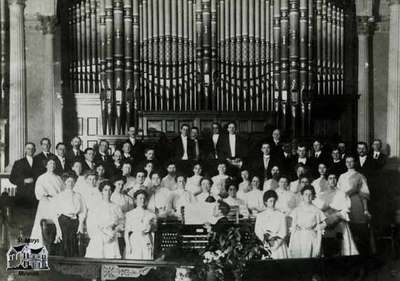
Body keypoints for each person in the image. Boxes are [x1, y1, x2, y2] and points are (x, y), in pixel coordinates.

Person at [313, 174, 359, 257]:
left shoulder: (342, 194)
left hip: (339, 222)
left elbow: (346, 209)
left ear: (337, 180)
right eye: (330, 178)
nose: (332, 180)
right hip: (325, 223)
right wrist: (325, 212)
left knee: (341, 249)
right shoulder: (321, 194)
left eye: (334, 178)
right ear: (327, 181)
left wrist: (336, 215)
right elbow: (317, 209)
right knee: (325, 248)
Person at [337, 155, 371, 256]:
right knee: (346, 231)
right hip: (344, 204)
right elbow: (339, 192)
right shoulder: (341, 176)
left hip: (356, 204)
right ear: (345, 163)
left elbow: (364, 193)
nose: (349, 163)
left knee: (359, 231)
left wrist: (365, 209)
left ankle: (362, 258)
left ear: (355, 163)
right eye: (347, 161)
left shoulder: (360, 176)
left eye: (351, 161)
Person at [30, 158, 64, 251]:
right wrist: (48, 198)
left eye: (54, 164)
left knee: (58, 223)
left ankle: (55, 247)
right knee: (43, 225)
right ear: (46, 165)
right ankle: (40, 248)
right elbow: (39, 192)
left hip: (57, 204)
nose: (52, 165)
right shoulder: (41, 178)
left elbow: (63, 192)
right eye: (50, 163)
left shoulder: (58, 178)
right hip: (46, 204)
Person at [85, 180, 125, 259]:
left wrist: (114, 232)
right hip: (98, 237)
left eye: (110, 190)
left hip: (112, 237)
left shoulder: (116, 207)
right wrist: (103, 234)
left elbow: (122, 222)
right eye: (106, 190)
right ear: (101, 192)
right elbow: (91, 224)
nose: (108, 192)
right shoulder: (95, 206)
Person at [53, 172, 86, 257]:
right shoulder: (60, 196)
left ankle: (73, 263)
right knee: (64, 243)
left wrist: (81, 224)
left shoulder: (79, 196)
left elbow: (83, 211)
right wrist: (58, 229)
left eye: (72, 181)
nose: (70, 184)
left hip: (75, 221)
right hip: (63, 221)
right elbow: (54, 213)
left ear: (75, 182)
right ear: (65, 182)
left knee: (73, 242)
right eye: (68, 181)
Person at [289, 185, 326, 258]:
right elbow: (293, 227)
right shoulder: (297, 210)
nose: (308, 196)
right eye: (306, 194)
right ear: (302, 196)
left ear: (313, 196)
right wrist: (291, 243)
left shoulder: (316, 210)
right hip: (298, 238)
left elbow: (321, 227)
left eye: (310, 194)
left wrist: (318, 246)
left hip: (311, 238)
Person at [255, 190, 288, 259]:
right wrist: (266, 242)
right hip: (265, 246)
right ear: (265, 202)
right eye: (270, 201)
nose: (272, 203)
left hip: (279, 246)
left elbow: (283, 232)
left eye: (274, 201)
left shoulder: (281, 215)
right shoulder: (260, 215)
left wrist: (276, 244)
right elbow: (258, 231)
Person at [125, 190, 157, 260]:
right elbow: (126, 232)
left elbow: (154, 231)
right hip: (135, 241)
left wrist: (151, 227)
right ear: (135, 200)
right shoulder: (130, 214)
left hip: (146, 240)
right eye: (140, 198)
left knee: (147, 260)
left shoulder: (151, 214)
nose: (142, 200)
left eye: (144, 198)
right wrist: (128, 246)